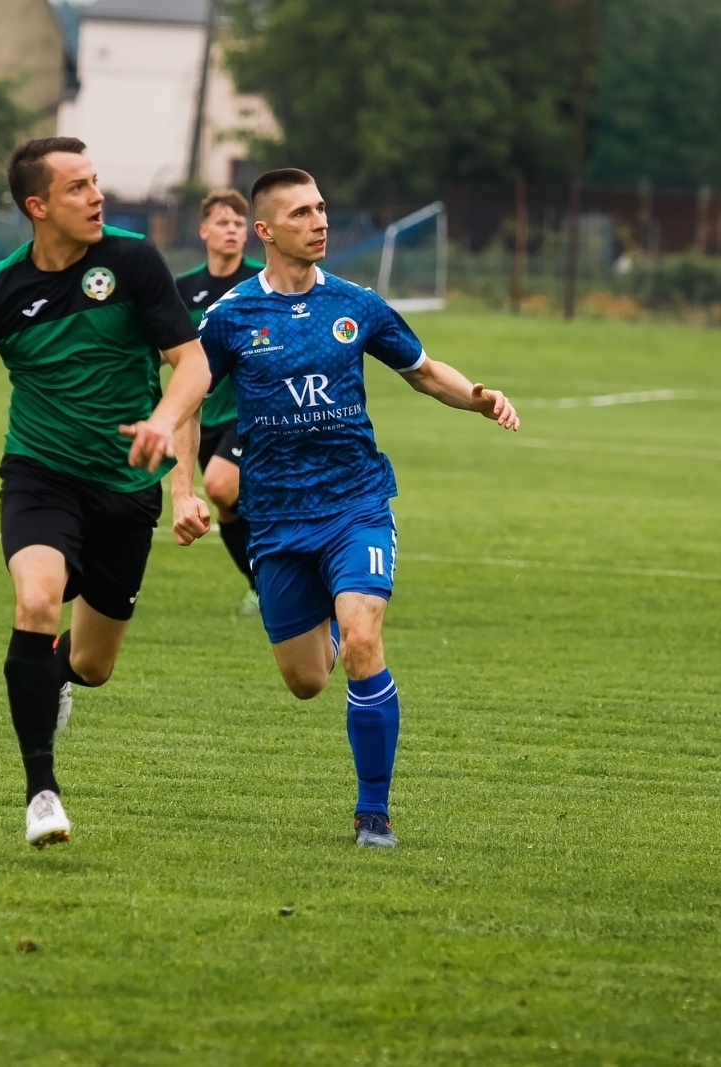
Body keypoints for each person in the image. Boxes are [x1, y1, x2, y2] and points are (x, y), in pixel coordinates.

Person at [0, 137, 212, 849]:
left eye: (95, 183)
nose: (96, 196)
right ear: (37, 206)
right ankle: (41, 792)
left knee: (93, 664)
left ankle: (54, 673)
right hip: (40, 475)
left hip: (126, 488)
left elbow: (192, 365)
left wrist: (161, 420)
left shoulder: (132, 261)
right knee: (35, 598)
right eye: (77, 188)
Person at [191, 168, 519, 848]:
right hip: (276, 516)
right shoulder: (229, 320)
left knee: (366, 640)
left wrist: (479, 396)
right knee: (306, 680)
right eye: (303, 212)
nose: (320, 221)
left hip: (357, 501)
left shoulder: (357, 304)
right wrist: (176, 480)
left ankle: (374, 812)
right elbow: (187, 393)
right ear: (266, 231)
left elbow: (424, 370)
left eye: (322, 208)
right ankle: (332, 630)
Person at [174, 189, 263, 614]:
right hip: (199, 417)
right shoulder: (184, 288)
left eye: (239, 224)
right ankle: (260, 584)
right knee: (228, 508)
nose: (232, 230)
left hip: (248, 413)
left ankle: (279, 578)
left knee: (219, 486)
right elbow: (163, 350)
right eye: (224, 223)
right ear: (204, 230)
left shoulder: (261, 283)